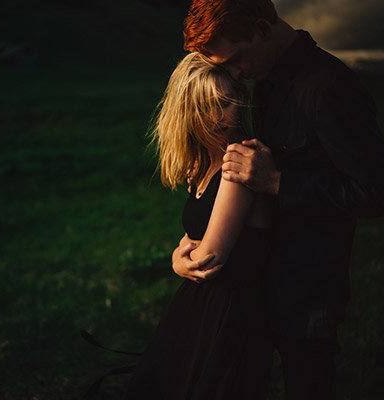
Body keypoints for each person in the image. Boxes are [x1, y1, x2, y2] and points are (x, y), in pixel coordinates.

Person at [172, 0, 384, 398]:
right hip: (253, 288)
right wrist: (186, 251)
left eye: (235, 59)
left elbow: (382, 194)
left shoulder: (328, 86)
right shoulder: (262, 77)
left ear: (263, 29)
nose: (233, 74)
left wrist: (280, 182)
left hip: (306, 290)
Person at [123, 52, 274, 399]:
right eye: (205, 105)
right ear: (185, 110)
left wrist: (183, 259)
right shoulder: (204, 165)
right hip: (201, 306)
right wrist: (178, 255)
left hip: (232, 313)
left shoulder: (240, 165)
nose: (217, 116)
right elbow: (194, 235)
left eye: (226, 103)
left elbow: (210, 258)